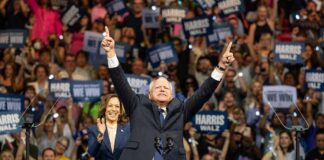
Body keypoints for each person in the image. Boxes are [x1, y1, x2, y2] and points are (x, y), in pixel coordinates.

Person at [101, 26, 235, 159]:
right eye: (158, 87)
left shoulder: (180, 109)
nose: (162, 89)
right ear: (149, 94)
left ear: (171, 95)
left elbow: (203, 93)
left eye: (166, 88)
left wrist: (221, 67)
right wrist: (111, 53)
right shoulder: (137, 104)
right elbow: (120, 83)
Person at [88, 94, 130, 160]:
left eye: (117, 106)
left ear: (120, 110)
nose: (113, 109)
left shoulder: (128, 128)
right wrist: (101, 135)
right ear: (105, 108)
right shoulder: (94, 129)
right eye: (110, 106)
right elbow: (91, 153)